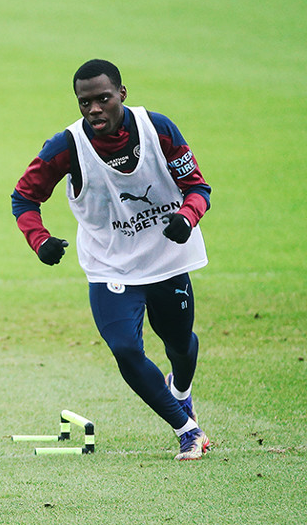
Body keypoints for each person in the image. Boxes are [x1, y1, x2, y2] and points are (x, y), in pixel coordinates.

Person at [11, 59, 213, 460]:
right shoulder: (66, 146)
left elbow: (198, 187)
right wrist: (40, 240)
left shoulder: (158, 128)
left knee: (180, 344)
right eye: (85, 102)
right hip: (110, 266)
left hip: (168, 258)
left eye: (103, 99)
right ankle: (187, 430)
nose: (94, 109)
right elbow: (24, 198)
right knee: (124, 347)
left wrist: (187, 218)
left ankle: (182, 391)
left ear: (122, 93)